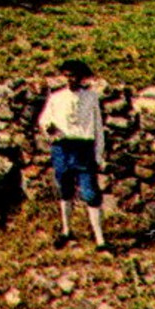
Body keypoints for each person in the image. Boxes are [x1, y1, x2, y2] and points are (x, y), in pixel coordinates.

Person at [38, 58, 109, 251]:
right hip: (62, 148)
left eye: (75, 76)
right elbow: (44, 120)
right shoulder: (57, 98)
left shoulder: (91, 98)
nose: (71, 80)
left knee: (90, 193)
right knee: (65, 189)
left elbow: (97, 128)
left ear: (82, 78)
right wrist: (49, 129)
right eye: (67, 75)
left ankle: (100, 240)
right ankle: (66, 231)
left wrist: (98, 155)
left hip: (83, 148)